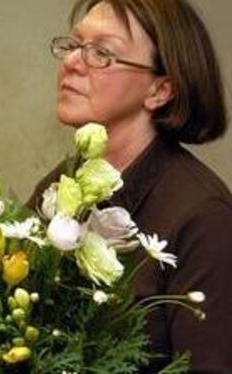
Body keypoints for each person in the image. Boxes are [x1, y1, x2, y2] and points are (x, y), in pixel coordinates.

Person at [28, 0, 232, 371]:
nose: (72, 62)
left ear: (160, 90)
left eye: (102, 53)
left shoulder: (203, 215)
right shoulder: (60, 184)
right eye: (74, 46)